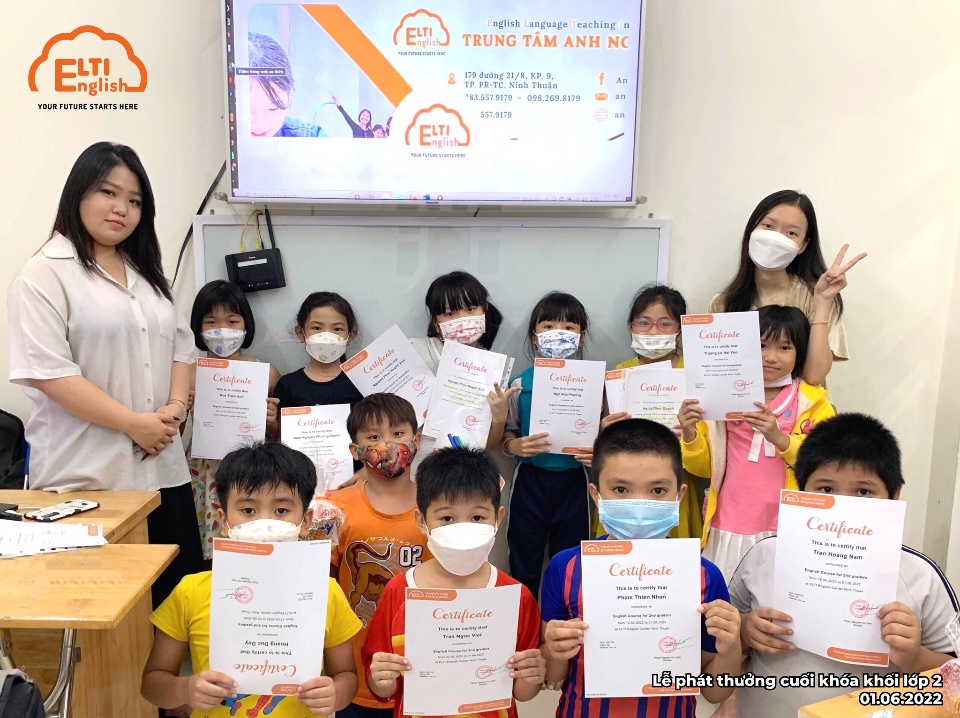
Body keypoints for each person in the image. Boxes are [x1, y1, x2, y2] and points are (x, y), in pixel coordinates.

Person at [7, 141, 202, 607]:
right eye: (108, 193)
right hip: (88, 477)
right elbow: (51, 373)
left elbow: (182, 347)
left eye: (134, 200)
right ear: (78, 193)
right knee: (104, 621)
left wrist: (174, 410)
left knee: (178, 608)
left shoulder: (147, 274)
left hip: (163, 470)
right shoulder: (44, 273)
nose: (122, 209)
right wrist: (134, 424)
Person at [729, 413, 958, 717]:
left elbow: (954, 677)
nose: (843, 507)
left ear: (894, 496)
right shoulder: (764, 555)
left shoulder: (921, 576)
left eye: (863, 491)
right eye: (826, 489)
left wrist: (915, 657)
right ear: (801, 491)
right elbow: (723, 635)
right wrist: (745, 630)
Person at [142, 441, 362, 718]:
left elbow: (346, 675)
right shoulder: (191, 591)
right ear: (224, 520)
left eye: (281, 511)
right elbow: (152, 685)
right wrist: (185, 690)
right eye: (248, 510)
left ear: (305, 521)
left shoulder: (325, 591)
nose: (264, 522)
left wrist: (335, 694)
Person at [541, 419, 742, 717]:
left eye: (658, 491)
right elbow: (552, 676)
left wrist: (732, 646)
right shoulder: (566, 567)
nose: (639, 504)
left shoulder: (703, 575)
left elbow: (715, 692)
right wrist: (554, 649)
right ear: (596, 495)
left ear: (679, 495)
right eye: (620, 489)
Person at [363, 447, 545, 718]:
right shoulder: (399, 591)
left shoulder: (515, 596)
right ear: (422, 521)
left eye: (477, 517)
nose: (463, 528)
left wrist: (533, 675)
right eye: (447, 518)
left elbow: (522, 692)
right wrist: (381, 678)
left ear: (498, 518)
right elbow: (381, 687)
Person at [679, 305, 835, 580]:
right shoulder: (719, 397)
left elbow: (826, 463)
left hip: (785, 525)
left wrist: (780, 438)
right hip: (728, 521)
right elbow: (703, 468)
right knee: (725, 596)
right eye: (761, 345)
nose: (771, 357)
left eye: (784, 348)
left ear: (799, 352)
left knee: (778, 595)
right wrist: (689, 434)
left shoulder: (811, 400)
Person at [330, 394, 432, 718]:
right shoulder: (334, 509)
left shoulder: (438, 509)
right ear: (355, 450)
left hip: (425, 671)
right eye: (373, 437)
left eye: (398, 434)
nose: (387, 445)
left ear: (416, 441)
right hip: (356, 674)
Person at [709, 190, 866, 386]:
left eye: (791, 233)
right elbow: (716, 375)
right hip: (744, 405)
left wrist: (823, 303)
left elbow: (814, 377)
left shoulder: (817, 295)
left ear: (803, 245)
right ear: (752, 230)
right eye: (768, 226)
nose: (776, 238)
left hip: (803, 405)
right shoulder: (722, 303)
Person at [502, 292, 591, 599]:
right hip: (530, 481)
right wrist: (515, 447)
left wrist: (596, 454)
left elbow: (602, 434)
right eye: (549, 326)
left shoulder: (592, 384)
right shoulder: (520, 384)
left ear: (581, 336)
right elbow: (508, 432)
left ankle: (566, 622)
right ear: (534, 335)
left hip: (573, 482)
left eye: (568, 327)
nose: (558, 334)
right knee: (523, 561)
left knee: (571, 564)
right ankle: (524, 622)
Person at [186, 279, 280, 561]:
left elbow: (276, 436)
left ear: (245, 324)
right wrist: (182, 409)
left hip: (250, 468)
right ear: (198, 327)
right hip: (205, 469)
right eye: (211, 321)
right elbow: (174, 433)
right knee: (207, 543)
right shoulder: (188, 373)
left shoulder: (266, 372)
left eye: (232, 321)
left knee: (251, 538)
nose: (222, 330)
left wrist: (272, 421)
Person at [613, 283, 703, 539]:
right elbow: (608, 431)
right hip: (626, 481)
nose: (653, 331)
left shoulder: (695, 372)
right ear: (631, 326)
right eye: (644, 323)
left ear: (680, 330)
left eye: (665, 324)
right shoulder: (620, 372)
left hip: (675, 477)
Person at [410, 271, 515, 466]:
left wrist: (500, 418)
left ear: (484, 312)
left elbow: (486, 445)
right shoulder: (415, 350)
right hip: (418, 469)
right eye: (450, 314)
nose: (462, 319)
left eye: (470, 309)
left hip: (465, 472)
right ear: (435, 322)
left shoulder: (495, 369)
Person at [270, 292, 364, 437]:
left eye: (337, 329)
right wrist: (270, 422)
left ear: (350, 336)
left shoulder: (361, 382)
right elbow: (280, 435)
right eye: (317, 328)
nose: (327, 337)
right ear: (301, 333)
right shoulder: (288, 384)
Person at [249, 33, 328, 137]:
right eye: (246, 110)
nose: (260, 125)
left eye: (273, 109)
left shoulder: (311, 138)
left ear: (289, 96)